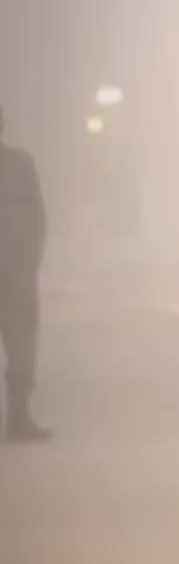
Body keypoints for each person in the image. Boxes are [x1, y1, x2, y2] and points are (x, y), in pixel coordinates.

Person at [0, 105, 50, 443]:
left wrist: (32, 256)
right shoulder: (19, 165)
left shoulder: (20, 164)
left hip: (17, 267)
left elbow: (38, 215)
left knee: (21, 345)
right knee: (21, 342)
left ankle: (18, 416)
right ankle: (19, 418)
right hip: (18, 266)